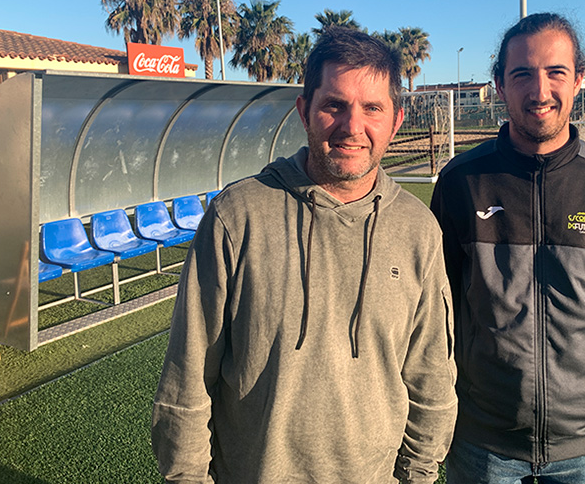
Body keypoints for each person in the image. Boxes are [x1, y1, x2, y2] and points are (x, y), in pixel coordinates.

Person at [152, 26, 457, 484]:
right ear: (304, 112)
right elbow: (188, 376)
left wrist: (417, 474)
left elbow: (430, 374)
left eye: (372, 108)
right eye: (334, 104)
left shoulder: (417, 230)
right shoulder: (238, 216)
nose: (352, 126)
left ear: (395, 121)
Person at [430, 13, 585, 484]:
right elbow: (432, 313)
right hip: (481, 445)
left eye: (555, 72)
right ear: (499, 84)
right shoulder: (461, 184)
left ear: (579, 80)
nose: (539, 91)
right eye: (522, 74)